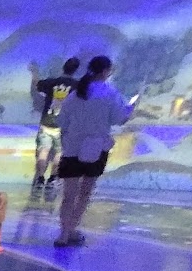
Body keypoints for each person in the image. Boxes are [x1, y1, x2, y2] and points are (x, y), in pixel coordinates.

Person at [53, 56, 134, 248]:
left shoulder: (76, 93)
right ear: (106, 71)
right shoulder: (110, 93)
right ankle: (72, 229)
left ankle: (63, 234)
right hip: (95, 149)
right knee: (85, 193)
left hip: (72, 148)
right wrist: (130, 110)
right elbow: (118, 119)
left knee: (68, 195)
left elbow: (61, 121)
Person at [30, 57, 80, 191]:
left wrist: (34, 72)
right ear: (75, 70)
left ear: (63, 68)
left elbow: (36, 84)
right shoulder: (77, 86)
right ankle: (52, 179)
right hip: (63, 126)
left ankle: (40, 178)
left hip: (47, 122)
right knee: (59, 153)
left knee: (43, 151)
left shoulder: (52, 82)